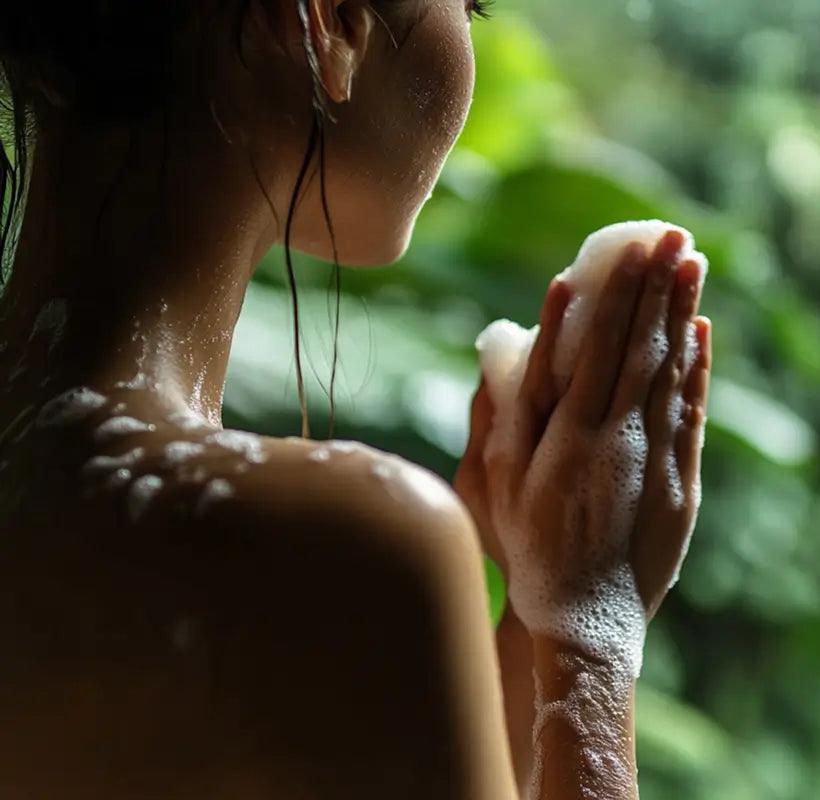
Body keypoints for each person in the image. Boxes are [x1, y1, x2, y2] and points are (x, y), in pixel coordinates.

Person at [0, 1, 711, 797]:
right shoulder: (341, 548)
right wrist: (592, 639)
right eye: (470, 6)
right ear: (329, 21)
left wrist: (532, 614)